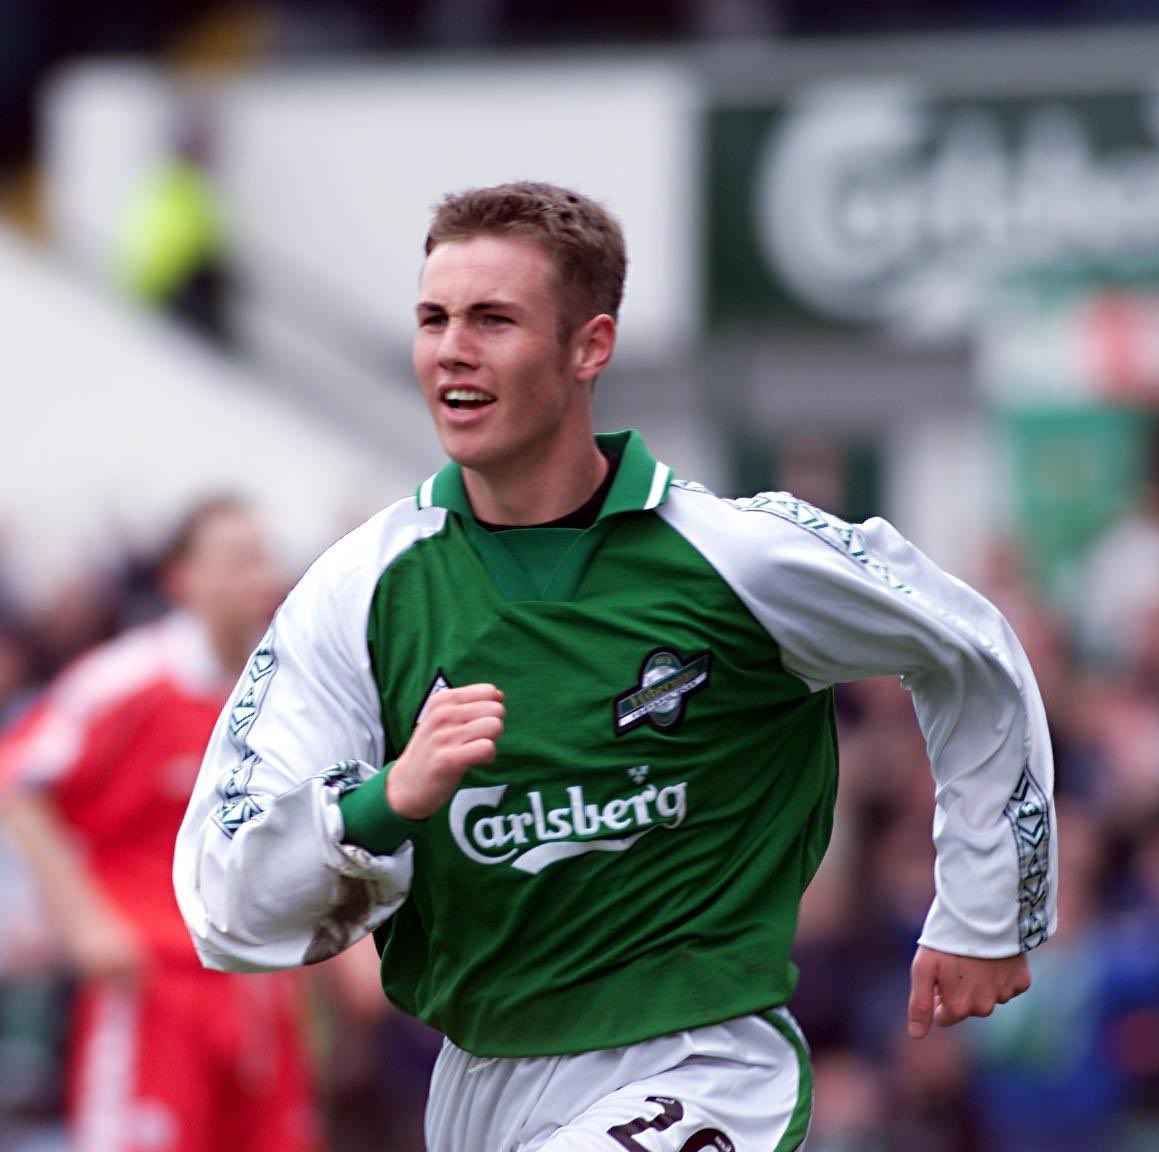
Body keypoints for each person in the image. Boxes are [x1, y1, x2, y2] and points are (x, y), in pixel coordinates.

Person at [174, 182, 1057, 1151]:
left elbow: (970, 644)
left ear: (589, 346)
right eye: (433, 319)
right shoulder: (356, 591)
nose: (452, 349)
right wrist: (387, 800)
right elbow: (228, 903)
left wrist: (986, 910)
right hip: (475, 1080)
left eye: (492, 319)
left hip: (702, 1066)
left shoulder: (741, 554)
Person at [0, 497, 324, 1152]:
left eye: (263, 558)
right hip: (155, 989)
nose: (259, 577)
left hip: (262, 995)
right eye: (237, 560)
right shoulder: (130, 679)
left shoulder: (284, 694)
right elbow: (19, 778)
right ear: (183, 578)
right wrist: (85, 923)